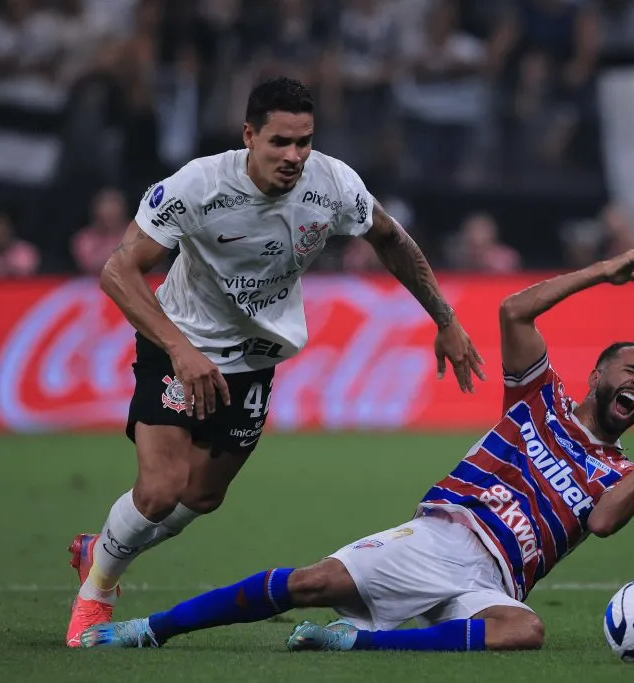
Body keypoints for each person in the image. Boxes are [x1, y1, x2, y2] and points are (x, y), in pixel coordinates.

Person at [75, 247, 634, 652]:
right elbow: (515, 311)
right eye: (630, 371)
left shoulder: (618, 471)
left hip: (497, 580)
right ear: (597, 376)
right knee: (310, 582)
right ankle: (152, 629)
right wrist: (602, 272)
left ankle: (360, 645)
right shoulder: (539, 400)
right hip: (443, 536)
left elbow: (600, 522)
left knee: (525, 629)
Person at [66, 76, 486, 646]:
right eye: (280, 142)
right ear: (249, 136)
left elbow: (390, 238)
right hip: (178, 343)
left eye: (304, 141)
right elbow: (118, 270)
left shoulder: (332, 184)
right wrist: (180, 350)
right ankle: (99, 589)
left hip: (256, 357)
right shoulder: (198, 184)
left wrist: (445, 318)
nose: (294, 156)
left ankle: (105, 544)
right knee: (162, 489)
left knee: (202, 497)